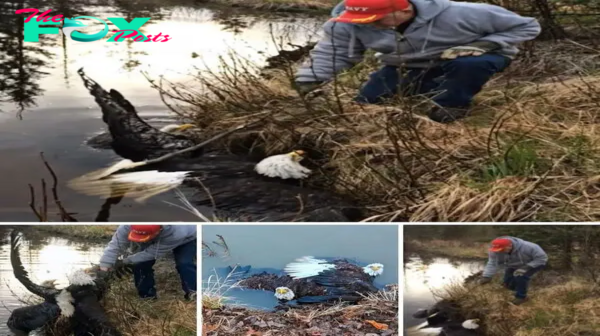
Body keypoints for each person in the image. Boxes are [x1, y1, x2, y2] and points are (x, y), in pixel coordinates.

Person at [293, 0, 541, 123]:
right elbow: (334, 52)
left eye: (377, 18)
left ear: (404, 10)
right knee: (367, 105)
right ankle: (430, 85)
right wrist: (309, 80)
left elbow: (528, 25)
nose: (368, 23)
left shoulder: (464, 12)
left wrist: (485, 45)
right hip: (406, 64)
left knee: (468, 65)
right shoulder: (347, 22)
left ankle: (450, 106)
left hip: (472, 56)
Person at [98, 225, 197, 300]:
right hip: (154, 237)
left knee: (184, 263)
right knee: (140, 265)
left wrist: (124, 261)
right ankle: (147, 297)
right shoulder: (126, 227)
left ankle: (193, 293)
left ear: (159, 231)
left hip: (186, 239)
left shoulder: (177, 232)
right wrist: (105, 265)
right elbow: (115, 245)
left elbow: (151, 254)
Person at [478, 236, 547, 305]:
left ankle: (521, 297)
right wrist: (487, 276)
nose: (499, 252)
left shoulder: (529, 247)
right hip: (514, 265)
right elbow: (492, 263)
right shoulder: (494, 251)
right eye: (497, 250)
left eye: (501, 249)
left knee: (520, 275)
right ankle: (514, 292)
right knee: (507, 283)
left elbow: (542, 258)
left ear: (509, 246)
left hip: (534, 263)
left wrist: (526, 268)